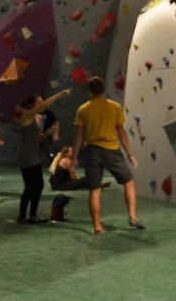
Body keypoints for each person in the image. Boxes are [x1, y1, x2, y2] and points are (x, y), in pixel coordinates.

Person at [72, 76, 144, 234]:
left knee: (95, 190)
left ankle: (97, 227)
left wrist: (73, 159)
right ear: (103, 89)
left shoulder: (83, 109)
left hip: (92, 151)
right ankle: (132, 216)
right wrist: (130, 154)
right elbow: (122, 132)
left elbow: (78, 136)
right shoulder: (114, 107)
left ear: (90, 90)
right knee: (129, 182)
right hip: (111, 150)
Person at [17, 89, 71, 224]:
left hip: (34, 156)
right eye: (39, 103)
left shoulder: (38, 118)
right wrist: (60, 94)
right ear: (31, 105)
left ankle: (33, 215)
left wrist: (48, 132)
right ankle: (22, 216)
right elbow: (45, 106)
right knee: (29, 187)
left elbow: (38, 139)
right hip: (26, 156)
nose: (42, 105)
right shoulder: (26, 115)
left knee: (39, 185)